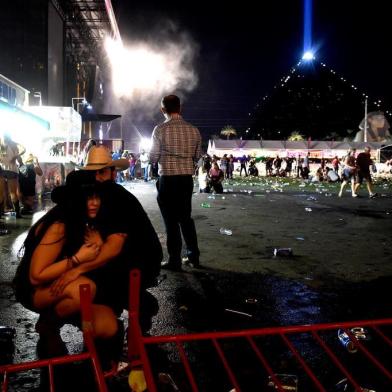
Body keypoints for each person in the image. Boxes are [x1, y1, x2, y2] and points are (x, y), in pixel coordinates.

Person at [13, 174, 121, 362]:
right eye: (88, 198)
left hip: (60, 287)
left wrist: (99, 245)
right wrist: (77, 259)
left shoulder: (85, 221)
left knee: (109, 325)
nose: (94, 203)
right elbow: (35, 276)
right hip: (34, 290)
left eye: (97, 197)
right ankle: (49, 326)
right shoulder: (59, 225)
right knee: (85, 290)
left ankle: (58, 320)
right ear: (76, 200)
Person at [76, 145, 162, 326]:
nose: (97, 177)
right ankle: (116, 304)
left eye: (99, 172)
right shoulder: (99, 193)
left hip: (139, 262)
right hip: (138, 257)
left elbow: (113, 249)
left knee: (93, 273)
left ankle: (136, 304)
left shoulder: (114, 196)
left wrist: (76, 269)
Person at [149, 94, 202, 271]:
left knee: (170, 221)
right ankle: (193, 256)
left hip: (168, 180)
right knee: (185, 218)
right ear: (180, 108)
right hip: (186, 180)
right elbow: (197, 157)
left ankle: (175, 260)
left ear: (163, 110)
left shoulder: (160, 129)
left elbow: (154, 157)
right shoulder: (194, 130)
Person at [0, 133, 25, 217]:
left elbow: (1, 158)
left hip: (2, 170)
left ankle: (1, 213)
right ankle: (17, 213)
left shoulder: (2, 145)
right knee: (13, 193)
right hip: (12, 170)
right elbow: (23, 151)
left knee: (1, 193)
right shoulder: (14, 145)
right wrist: (19, 161)